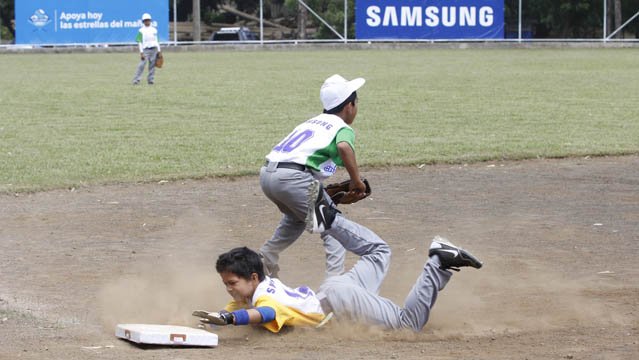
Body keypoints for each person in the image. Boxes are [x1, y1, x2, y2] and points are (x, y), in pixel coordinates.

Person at [194, 220, 482, 332]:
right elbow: (228, 311)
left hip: (342, 301)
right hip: (335, 289)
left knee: (409, 324)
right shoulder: (257, 290)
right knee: (379, 252)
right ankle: (328, 221)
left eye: (232, 283)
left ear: (253, 277)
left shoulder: (265, 298)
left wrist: (232, 320)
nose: (230, 290)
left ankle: (438, 262)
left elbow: (262, 314)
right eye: (226, 284)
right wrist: (213, 321)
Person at [258, 74, 370, 279]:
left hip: (268, 176)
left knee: (296, 219)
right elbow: (344, 147)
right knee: (334, 228)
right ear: (350, 106)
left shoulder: (311, 122)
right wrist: (356, 181)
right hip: (293, 178)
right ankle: (334, 288)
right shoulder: (342, 127)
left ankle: (267, 255)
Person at [132, 13, 161, 85]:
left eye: (148, 20)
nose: (147, 22)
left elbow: (157, 41)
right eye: (145, 20)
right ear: (143, 21)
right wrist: (141, 52)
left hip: (154, 49)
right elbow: (139, 42)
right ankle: (136, 80)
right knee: (141, 65)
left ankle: (151, 80)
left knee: (152, 65)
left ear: (150, 21)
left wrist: (159, 50)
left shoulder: (154, 30)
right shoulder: (141, 30)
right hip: (145, 50)